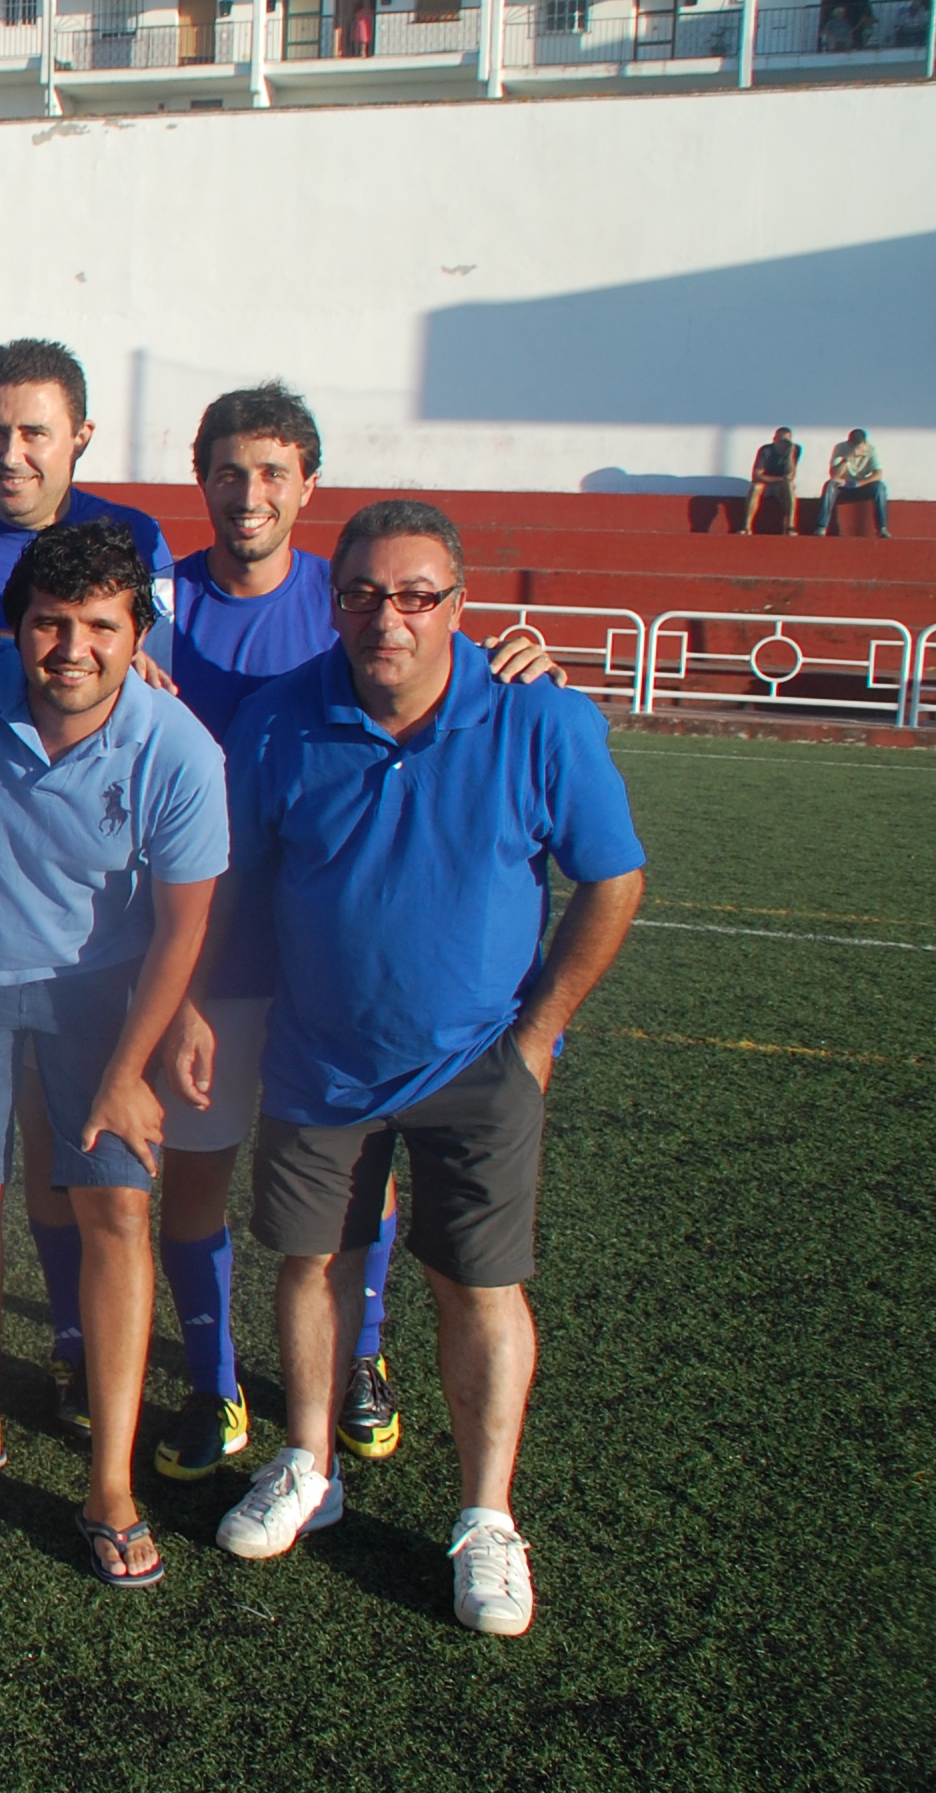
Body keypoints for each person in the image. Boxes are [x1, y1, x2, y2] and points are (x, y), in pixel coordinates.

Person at [190, 497, 645, 1637]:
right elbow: (231, 880)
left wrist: (537, 1034)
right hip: (319, 1057)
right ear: (332, 600)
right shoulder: (278, 719)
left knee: (476, 1284)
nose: (385, 617)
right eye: (361, 594)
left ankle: (486, 1517)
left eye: (414, 595)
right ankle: (308, 1462)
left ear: (456, 603)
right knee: (311, 1262)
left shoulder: (539, 719)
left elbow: (613, 879)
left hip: (479, 1061)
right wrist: (194, 1003)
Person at [158, 383, 575, 1484]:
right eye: (228, 471)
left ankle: (362, 1361)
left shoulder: (349, 591)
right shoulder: (159, 597)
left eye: (271, 472)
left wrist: (520, 659)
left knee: (357, 1185)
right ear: (198, 478)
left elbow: (439, 658)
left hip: (327, 963)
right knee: (196, 1175)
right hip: (210, 940)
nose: (248, 493)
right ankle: (210, 1379)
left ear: (308, 483)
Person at [0, 522, 225, 1591]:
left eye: (100, 627)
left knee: (117, 1207)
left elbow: (180, 928)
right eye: (48, 623)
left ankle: (110, 1484)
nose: (72, 649)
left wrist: (128, 1070)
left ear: (137, 635)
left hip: (99, 991)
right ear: (14, 626)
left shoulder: (178, 747)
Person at [0, 336, 179, 1440]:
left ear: (79, 438)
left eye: (33, 431)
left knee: (75, 1163)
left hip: (83, 923)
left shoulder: (133, 538)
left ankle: (71, 1338)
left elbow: (147, 676)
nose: (9, 452)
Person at [817, 430, 892, 536]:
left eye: (859, 445)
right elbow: (835, 475)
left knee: (880, 487)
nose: (856, 448)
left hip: (862, 486)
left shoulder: (872, 450)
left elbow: (878, 474)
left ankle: (882, 528)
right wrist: (846, 459)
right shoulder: (841, 448)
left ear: (865, 443)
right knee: (830, 485)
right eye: (853, 445)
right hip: (844, 486)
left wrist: (859, 483)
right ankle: (821, 526)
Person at [745, 428, 801, 537]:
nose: (782, 444)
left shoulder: (795, 449)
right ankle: (746, 526)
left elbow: (791, 474)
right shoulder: (766, 450)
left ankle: (790, 526)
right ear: (774, 439)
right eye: (780, 440)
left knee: (789, 486)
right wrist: (779, 479)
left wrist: (790, 454)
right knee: (756, 487)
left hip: (782, 484)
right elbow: (757, 475)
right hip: (766, 482)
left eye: (786, 441)